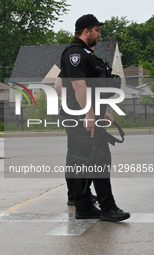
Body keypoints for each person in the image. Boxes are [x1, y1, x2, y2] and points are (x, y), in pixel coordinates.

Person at [58, 14, 130, 222]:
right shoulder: (76, 54)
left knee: (87, 160)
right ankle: (106, 207)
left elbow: (84, 86)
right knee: (98, 159)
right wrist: (88, 114)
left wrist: (101, 111)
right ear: (86, 31)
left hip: (87, 114)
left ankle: (84, 206)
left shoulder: (85, 53)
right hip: (83, 117)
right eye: (97, 30)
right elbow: (79, 85)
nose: (99, 34)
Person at [54, 77, 97, 206]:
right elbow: (58, 86)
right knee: (82, 155)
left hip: (72, 113)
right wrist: (74, 100)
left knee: (74, 153)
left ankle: (76, 193)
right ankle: (78, 194)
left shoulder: (68, 65)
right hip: (78, 114)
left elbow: (58, 86)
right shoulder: (76, 61)